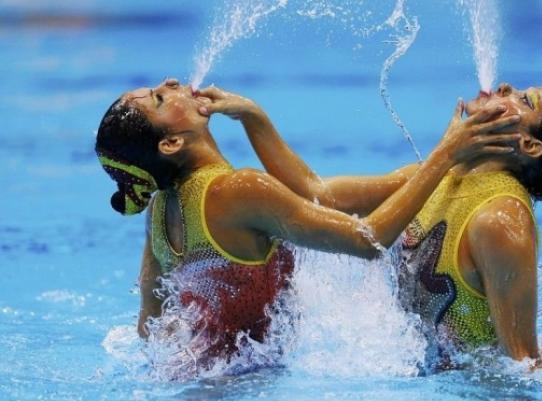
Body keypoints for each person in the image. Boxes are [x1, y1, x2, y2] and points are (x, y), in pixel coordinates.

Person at [94, 79, 520, 364]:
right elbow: (367, 240)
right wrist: (446, 153)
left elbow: (150, 324)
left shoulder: (162, 206)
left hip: (200, 382)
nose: (170, 84)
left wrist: (253, 118)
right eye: (159, 99)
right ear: (170, 142)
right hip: (242, 391)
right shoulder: (237, 191)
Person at [214, 82, 542, 368]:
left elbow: (521, 366)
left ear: (529, 145)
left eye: (524, 100)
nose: (504, 88)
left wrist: (447, 151)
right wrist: (254, 118)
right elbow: (319, 194)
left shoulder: (501, 220)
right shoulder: (438, 179)